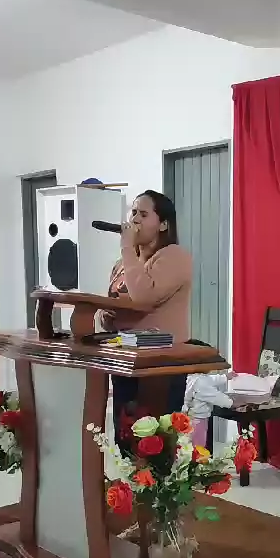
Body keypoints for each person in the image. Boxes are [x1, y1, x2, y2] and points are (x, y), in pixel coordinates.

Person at [102, 190, 192, 451]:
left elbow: (143, 297)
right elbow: (112, 302)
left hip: (158, 365)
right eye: (133, 213)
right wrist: (106, 316)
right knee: (126, 439)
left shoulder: (175, 256)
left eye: (143, 214)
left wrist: (126, 248)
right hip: (126, 359)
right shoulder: (123, 264)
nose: (134, 220)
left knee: (155, 447)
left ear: (163, 224)